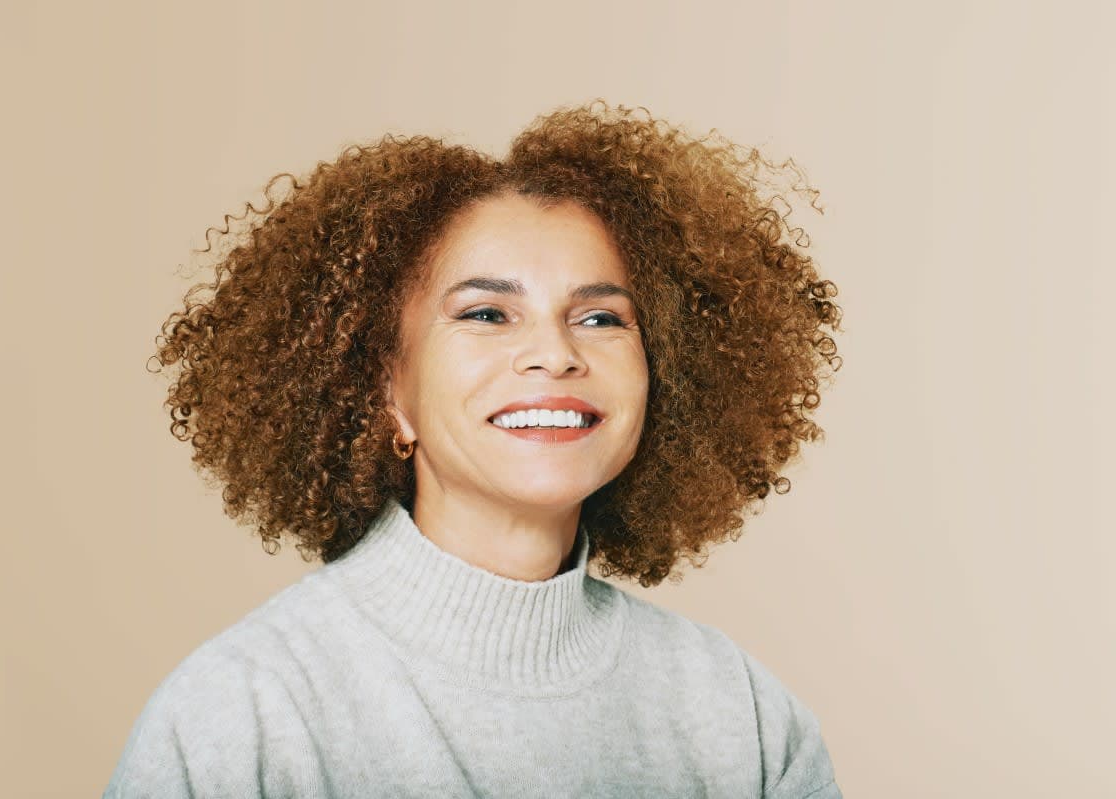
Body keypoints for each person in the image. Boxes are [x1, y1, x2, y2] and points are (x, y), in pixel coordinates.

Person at [105, 100, 845, 798]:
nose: (554, 354)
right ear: (386, 385)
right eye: (488, 312)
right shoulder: (243, 715)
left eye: (599, 317)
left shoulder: (739, 717)